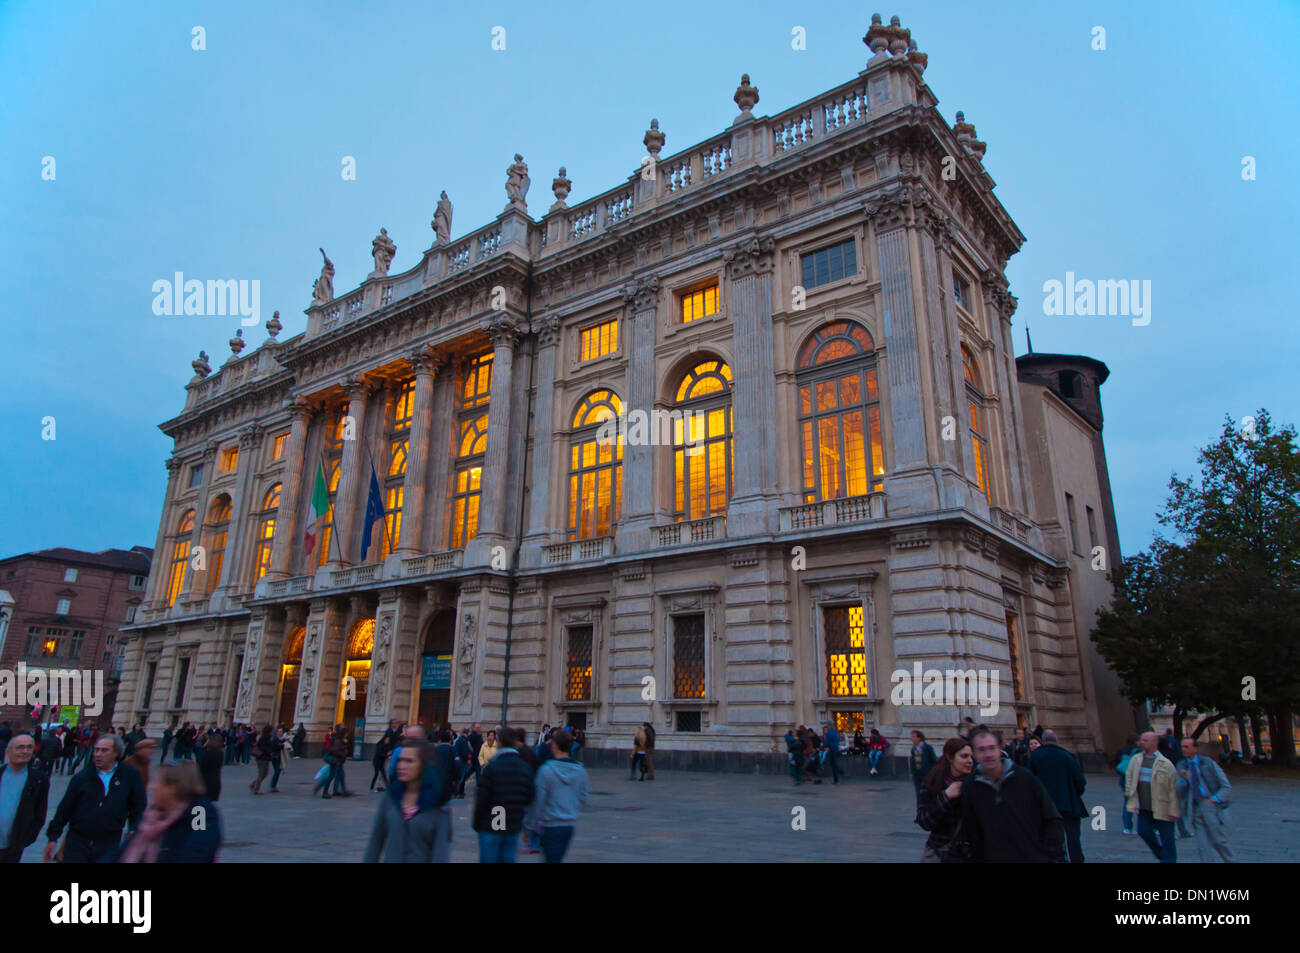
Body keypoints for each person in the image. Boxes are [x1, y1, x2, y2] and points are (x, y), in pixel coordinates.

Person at [961, 726, 1064, 863]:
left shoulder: (1024, 778)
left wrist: (1047, 854)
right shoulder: (970, 786)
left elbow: (1051, 817)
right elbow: (971, 830)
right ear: (974, 754)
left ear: (1000, 749)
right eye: (981, 750)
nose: (988, 754)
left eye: (992, 748)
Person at [44, 734, 146, 863]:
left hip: (109, 843)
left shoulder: (130, 776)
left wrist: (133, 830)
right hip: (78, 842)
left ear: (116, 753)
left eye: (104, 750)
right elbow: (65, 809)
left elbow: (138, 806)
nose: (98, 754)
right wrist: (53, 838)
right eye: (96, 750)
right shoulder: (82, 778)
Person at [116, 761, 221, 863]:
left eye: (158, 782)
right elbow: (120, 853)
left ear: (174, 788)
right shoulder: (153, 815)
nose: (152, 787)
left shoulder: (200, 811)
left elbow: (198, 851)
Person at [363, 742, 451, 863]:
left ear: (423, 765)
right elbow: (375, 843)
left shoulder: (439, 805)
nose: (402, 766)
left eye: (409, 761)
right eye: (400, 760)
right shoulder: (390, 797)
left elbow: (440, 854)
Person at [473, 726, 535, 863]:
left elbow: (482, 799)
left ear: (499, 742)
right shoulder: (525, 768)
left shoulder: (492, 767)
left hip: (492, 825)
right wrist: (526, 826)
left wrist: (477, 823)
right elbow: (530, 799)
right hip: (512, 826)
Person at [525, 729, 588, 863]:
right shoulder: (580, 770)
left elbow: (538, 801)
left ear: (554, 745)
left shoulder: (546, 770)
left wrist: (529, 826)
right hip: (569, 826)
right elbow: (582, 798)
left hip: (550, 825)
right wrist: (570, 809)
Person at [1029, 729, 1087, 863]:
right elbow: (1080, 782)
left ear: (1043, 741)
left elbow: (1030, 782)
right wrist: (1072, 794)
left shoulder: (1035, 756)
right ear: (1056, 740)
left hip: (1045, 807)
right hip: (1069, 805)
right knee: (1073, 839)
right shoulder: (1068, 757)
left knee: (1049, 838)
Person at [914, 736, 974, 862]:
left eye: (971, 756)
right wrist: (945, 797)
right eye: (964, 756)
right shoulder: (932, 783)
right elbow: (924, 821)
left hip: (969, 853)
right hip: (942, 852)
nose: (970, 761)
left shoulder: (975, 783)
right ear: (950, 757)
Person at [1175, 737, 1235, 863]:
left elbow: (1226, 785)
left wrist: (1215, 799)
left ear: (1195, 749)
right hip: (1194, 807)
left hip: (1210, 805)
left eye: (1187, 747)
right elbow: (1179, 791)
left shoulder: (1207, 763)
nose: (1183, 749)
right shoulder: (1181, 765)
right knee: (1202, 846)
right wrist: (1184, 780)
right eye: (1182, 746)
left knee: (1219, 841)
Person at [1124, 730, 1181, 863]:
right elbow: (1130, 778)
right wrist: (1129, 793)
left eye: (1145, 740)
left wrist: (1173, 810)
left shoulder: (1165, 763)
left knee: (1167, 838)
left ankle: (1169, 860)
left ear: (1155, 743)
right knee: (1143, 831)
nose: (1142, 743)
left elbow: (1173, 789)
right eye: (1141, 740)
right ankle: (1162, 855)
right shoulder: (1136, 759)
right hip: (1144, 807)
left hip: (1162, 806)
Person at [0, 734, 49, 863]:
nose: (25, 751)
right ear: (8, 751)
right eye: (20, 747)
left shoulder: (38, 780)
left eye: (29, 747)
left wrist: (26, 838)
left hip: (13, 847)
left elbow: (40, 813)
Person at [1113, 733, 1140, 835]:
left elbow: (1116, 763)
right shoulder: (1138, 751)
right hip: (1134, 778)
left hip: (1124, 778)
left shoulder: (1121, 750)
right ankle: (1144, 826)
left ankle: (1127, 827)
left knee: (1127, 802)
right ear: (1135, 741)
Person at [909, 731, 937, 805]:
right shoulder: (913, 749)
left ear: (919, 738)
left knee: (928, 791)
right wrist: (912, 772)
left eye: (914, 736)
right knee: (918, 792)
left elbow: (934, 760)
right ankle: (920, 807)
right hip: (917, 774)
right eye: (912, 737)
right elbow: (912, 761)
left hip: (927, 774)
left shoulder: (927, 748)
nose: (912, 738)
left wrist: (932, 772)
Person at [199, 730, 224, 802]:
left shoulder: (207, 754)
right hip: (216, 781)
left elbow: (202, 768)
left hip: (205, 782)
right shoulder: (220, 753)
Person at [453, 729, 474, 797]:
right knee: (462, 777)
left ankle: (460, 792)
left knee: (460, 777)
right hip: (462, 761)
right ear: (466, 734)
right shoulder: (464, 741)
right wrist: (468, 758)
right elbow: (465, 752)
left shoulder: (459, 740)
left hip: (457, 760)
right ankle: (458, 792)